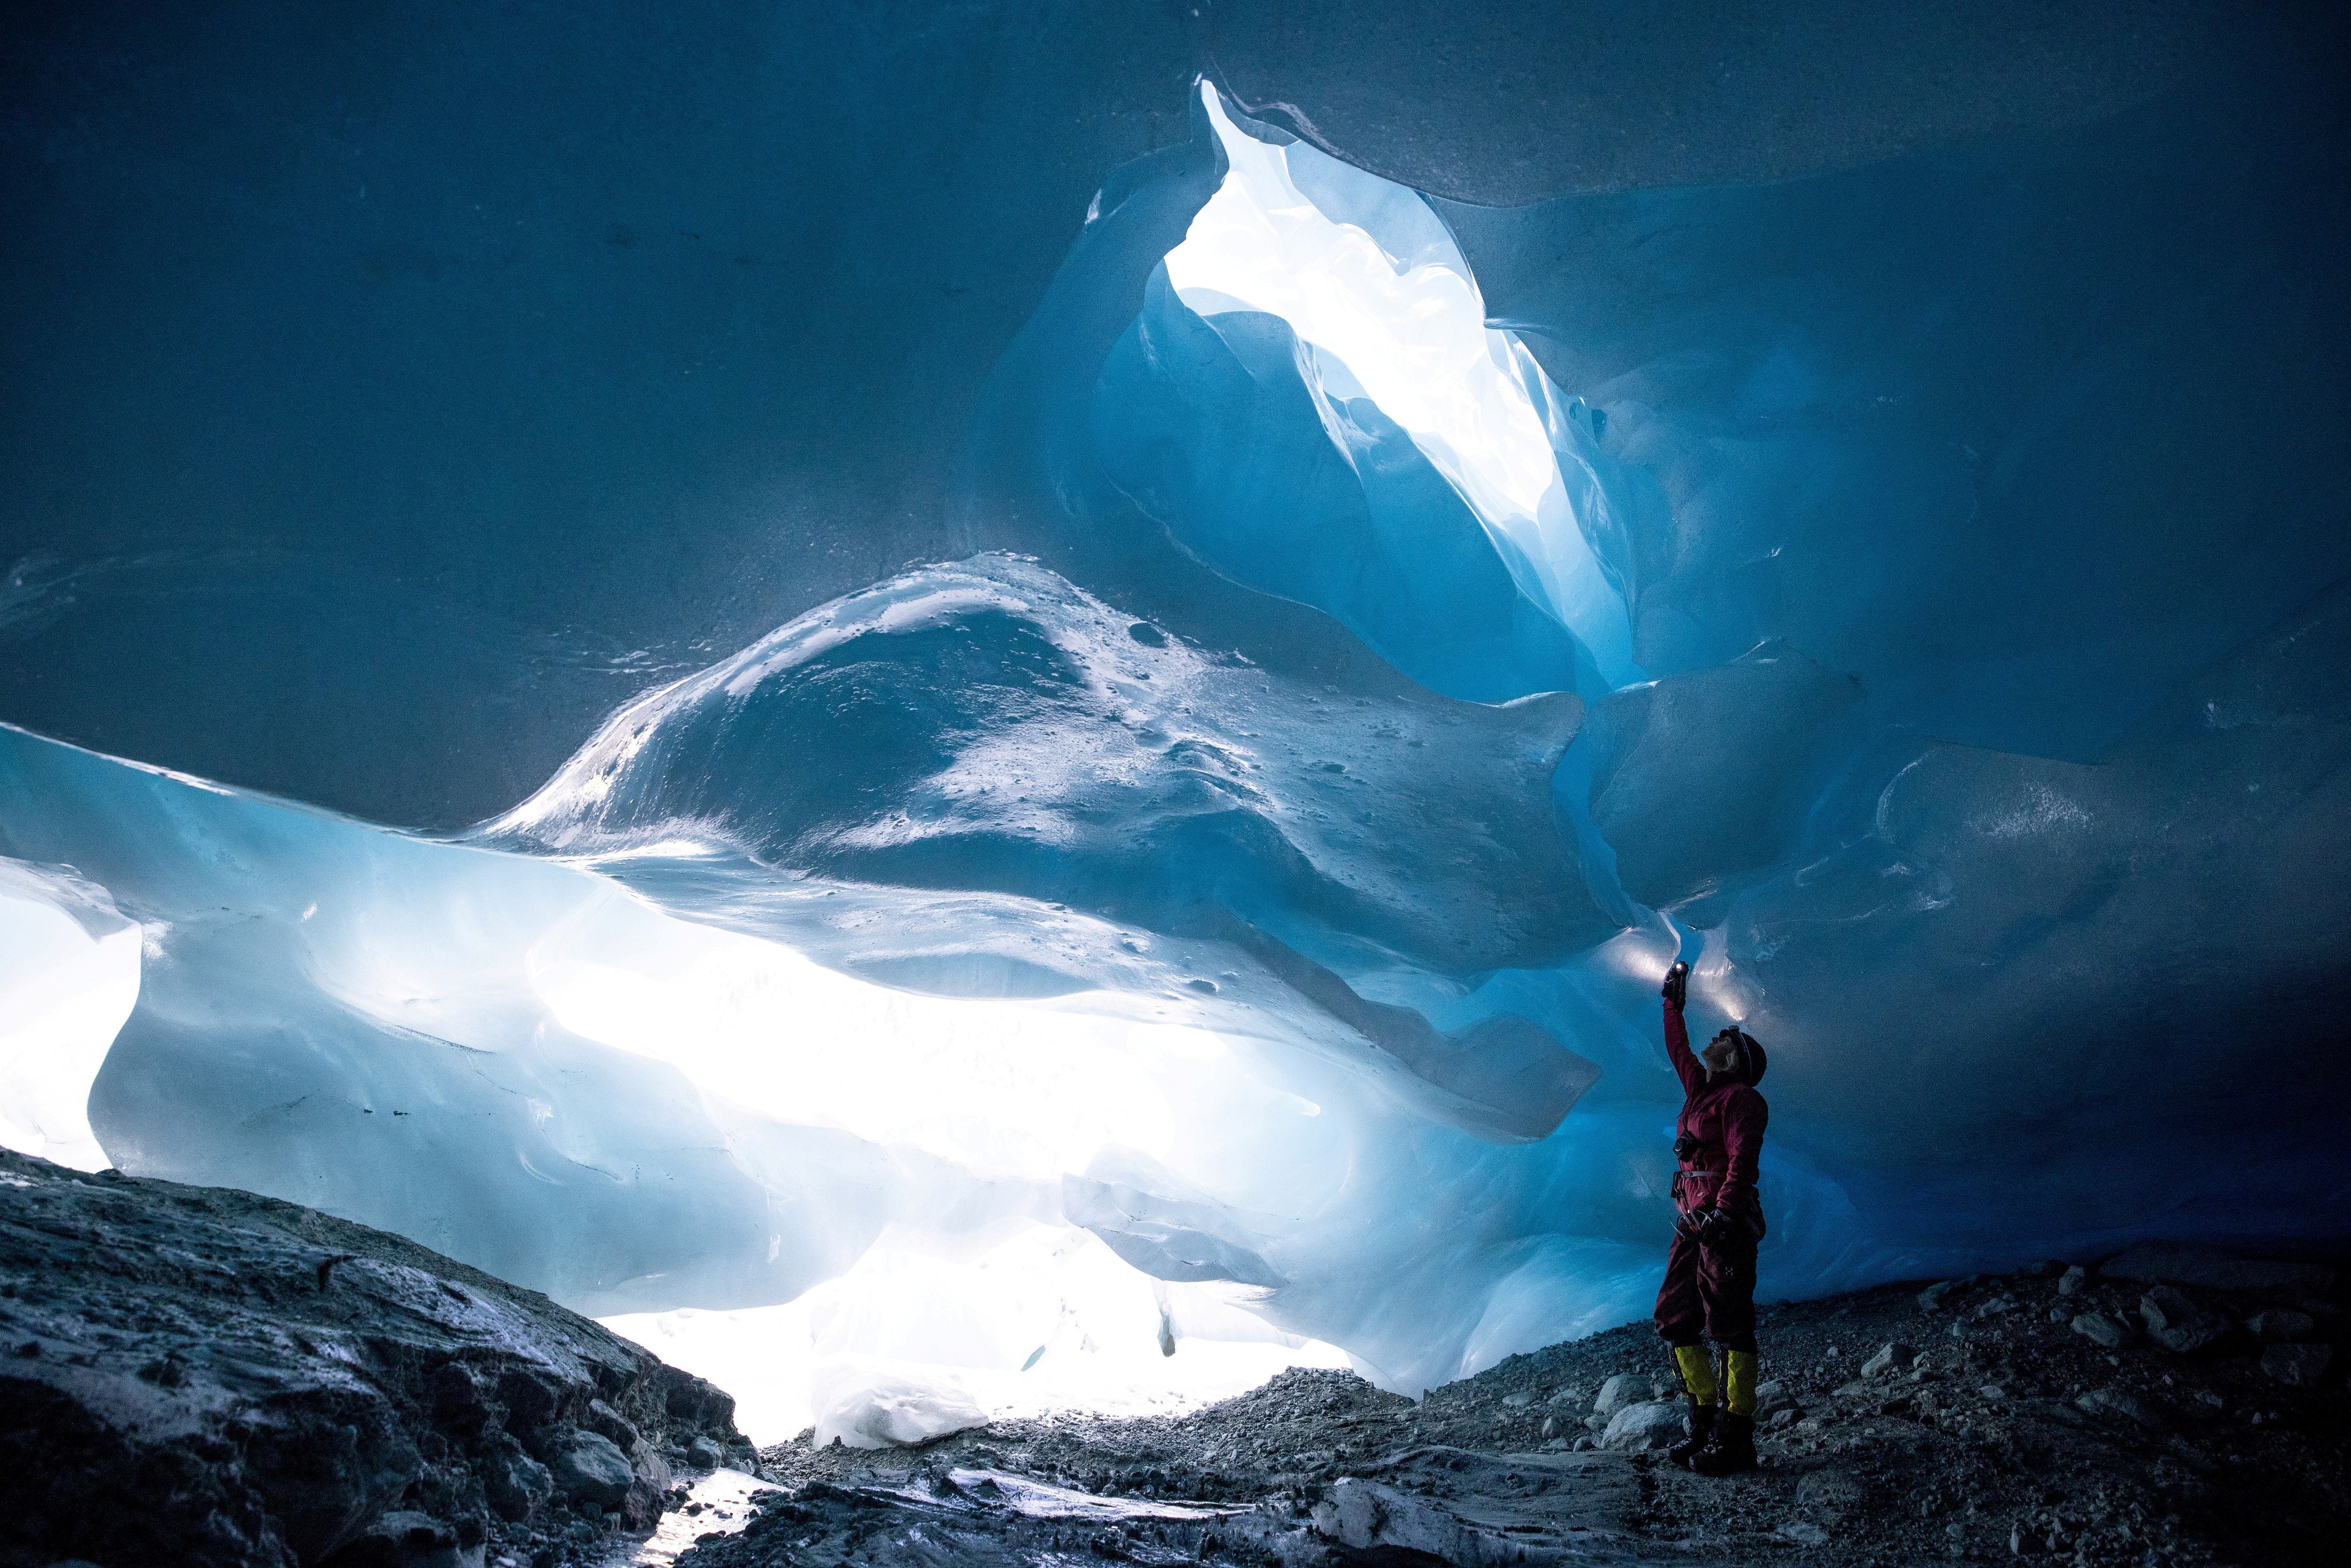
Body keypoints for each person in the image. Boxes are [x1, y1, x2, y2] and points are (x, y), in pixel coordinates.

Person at [1654, 959, 1768, 1476]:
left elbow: (1742, 1158)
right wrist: (1670, 1003)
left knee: (1729, 1323)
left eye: (1728, 1037)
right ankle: (1701, 1418)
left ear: (1738, 1061)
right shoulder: (1701, 1091)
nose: (1719, 1034)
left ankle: (1735, 1435)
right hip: (1691, 1222)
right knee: (1674, 1315)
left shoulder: (1741, 1098)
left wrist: (1725, 1210)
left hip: (1723, 1223)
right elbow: (1677, 1048)